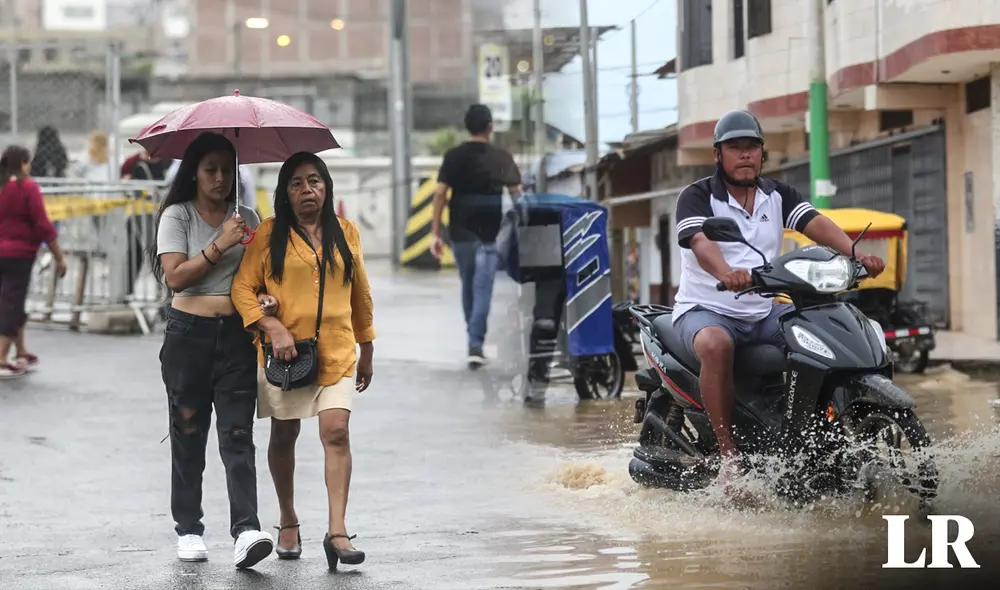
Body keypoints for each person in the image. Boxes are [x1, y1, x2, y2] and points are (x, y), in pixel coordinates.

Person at [671, 109, 886, 501]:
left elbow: (814, 222)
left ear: (762, 153)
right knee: (716, 345)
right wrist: (726, 271)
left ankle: (813, 440)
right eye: (735, 148)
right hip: (708, 309)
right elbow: (700, 241)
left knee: (823, 334)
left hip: (763, 307)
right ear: (718, 155)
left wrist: (857, 254)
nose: (745, 155)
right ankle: (729, 457)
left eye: (752, 147)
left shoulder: (777, 194)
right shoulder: (697, 196)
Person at [231, 151, 375, 571]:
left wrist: (367, 347)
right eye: (296, 183)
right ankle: (288, 518)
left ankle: (337, 530)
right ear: (284, 194)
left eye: (314, 180)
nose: (306, 189)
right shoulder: (270, 234)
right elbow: (243, 287)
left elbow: (360, 294)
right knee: (284, 435)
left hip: (337, 348)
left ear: (326, 187)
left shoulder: (345, 232)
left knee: (337, 431)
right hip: (286, 356)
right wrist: (270, 327)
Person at [148, 131, 275, 568]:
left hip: (238, 337)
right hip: (188, 336)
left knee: (239, 435)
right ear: (195, 174)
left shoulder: (249, 217)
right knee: (187, 432)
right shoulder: (177, 216)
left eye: (227, 169)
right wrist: (221, 242)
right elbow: (177, 277)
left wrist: (267, 300)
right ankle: (188, 529)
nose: (220, 178)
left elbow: (260, 279)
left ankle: (247, 530)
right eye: (211, 170)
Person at [429, 104, 522, 368]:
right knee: (482, 290)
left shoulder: (453, 156)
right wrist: (525, 222)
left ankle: (474, 338)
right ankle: (475, 342)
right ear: (490, 127)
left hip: (459, 234)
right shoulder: (501, 157)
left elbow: (439, 195)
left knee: (469, 285)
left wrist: (435, 232)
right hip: (489, 235)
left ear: (467, 127)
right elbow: (517, 194)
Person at [0, 146, 67, 378]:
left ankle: (20, 351)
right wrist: (59, 256)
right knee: (12, 304)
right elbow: (42, 225)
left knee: (9, 301)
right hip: (19, 255)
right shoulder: (27, 187)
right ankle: (1, 358)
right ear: (23, 163)